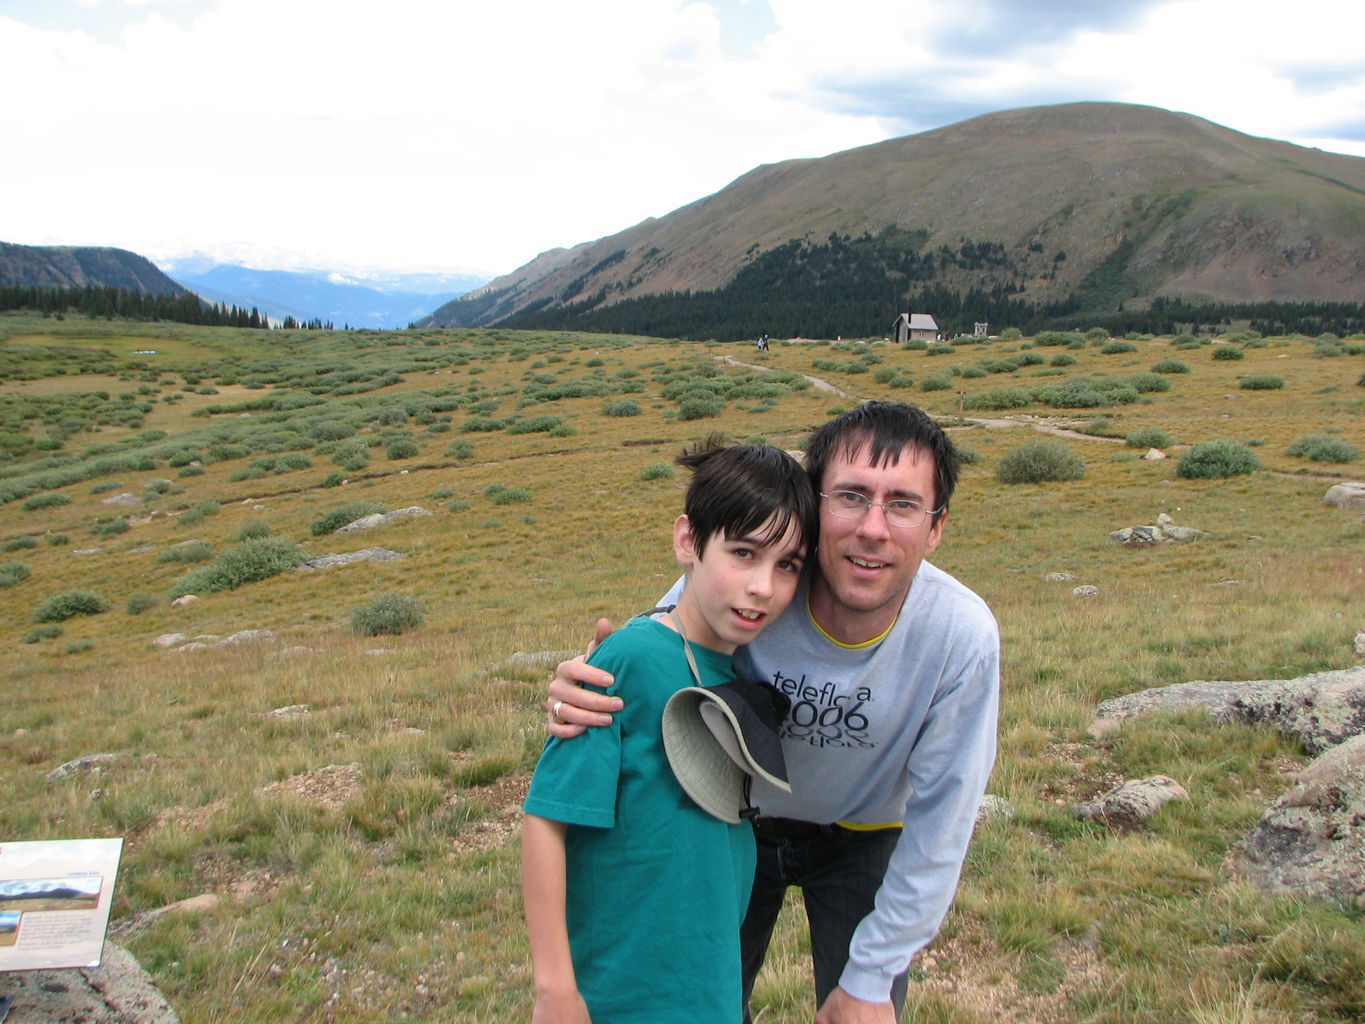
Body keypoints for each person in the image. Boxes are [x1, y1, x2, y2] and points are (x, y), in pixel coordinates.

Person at [546, 401, 1000, 1023]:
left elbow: (942, 821)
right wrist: (593, 681)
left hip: (863, 836)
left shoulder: (959, 635)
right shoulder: (767, 581)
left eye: (902, 503)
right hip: (734, 822)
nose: (873, 528)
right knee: (701, 998)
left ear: (937, 525)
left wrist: (871, 979)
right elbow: (668, 638)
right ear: (814, 504)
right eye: (850, 496)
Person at [522, 440, 819, 1024]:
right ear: (689, 542)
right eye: (743, 552)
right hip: (619, 991)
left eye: (787, 564)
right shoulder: (626, 659)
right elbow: (546, 819)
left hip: (706, 984)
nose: (764, 586)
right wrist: (554, 988)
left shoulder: (736, 675)